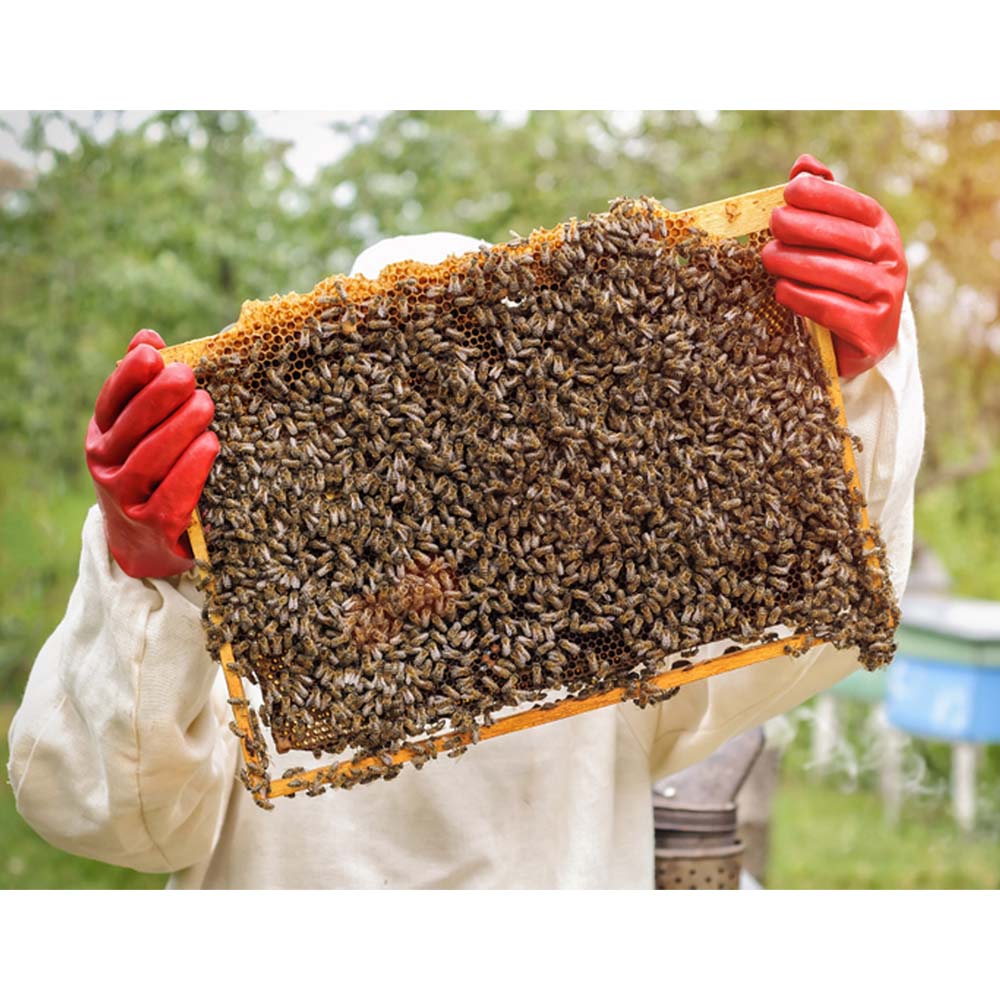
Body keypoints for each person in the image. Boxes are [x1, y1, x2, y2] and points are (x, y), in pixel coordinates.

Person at [6, 154, 924, 888]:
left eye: (469, 416)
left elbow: (813, 617)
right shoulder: (241, 603)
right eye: (390, 413)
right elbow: (106, 814)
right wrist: (140, 573)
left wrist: (837, 397)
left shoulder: (612, 605)